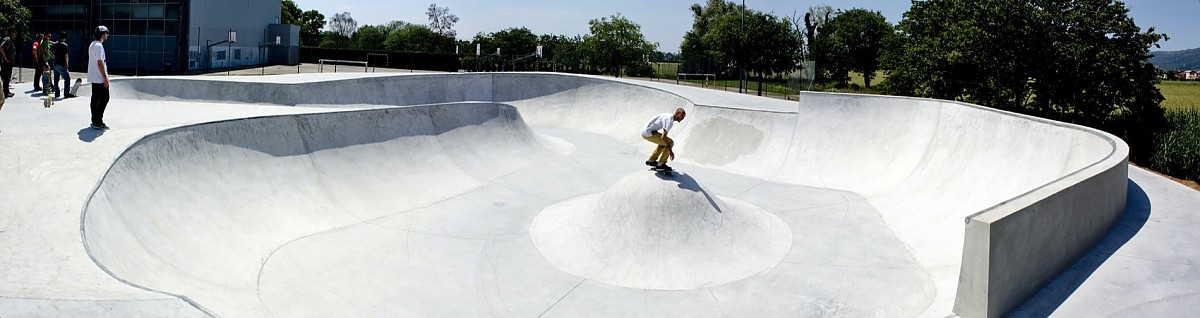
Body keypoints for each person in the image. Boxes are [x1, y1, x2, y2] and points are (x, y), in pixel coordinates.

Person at [88, 26, 110, 130]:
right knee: (105, 98)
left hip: (94, 77)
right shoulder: (99, 46)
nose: (108, 35)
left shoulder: (92, 44)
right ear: (103, 34)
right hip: (100, 77)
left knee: (95, 98)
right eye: (107, 33)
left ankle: (94, 120)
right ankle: (98, 120)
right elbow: (100, 63)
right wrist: (105, 77)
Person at [51, 31, 73, 98]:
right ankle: (66, 93)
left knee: (56, 79)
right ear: (65, 37)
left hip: (55, 64)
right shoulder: (65, 45)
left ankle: (57, 93)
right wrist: (67, 64)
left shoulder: (56, 44)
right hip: (62, 64)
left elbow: (48, 51)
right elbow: (66, 55)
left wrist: (53, 56)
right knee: (67, 78)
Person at [1, 29, 15, 97]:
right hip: (6, 62)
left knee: (7, 77)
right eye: (15, 32)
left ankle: (6, 91)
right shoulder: (7, 39)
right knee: (6, 77)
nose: (16, 34)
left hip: (8, 62)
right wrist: (6, 58)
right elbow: (1, 48)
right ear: (11, 33)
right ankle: (5, 92)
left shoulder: (10, 40)